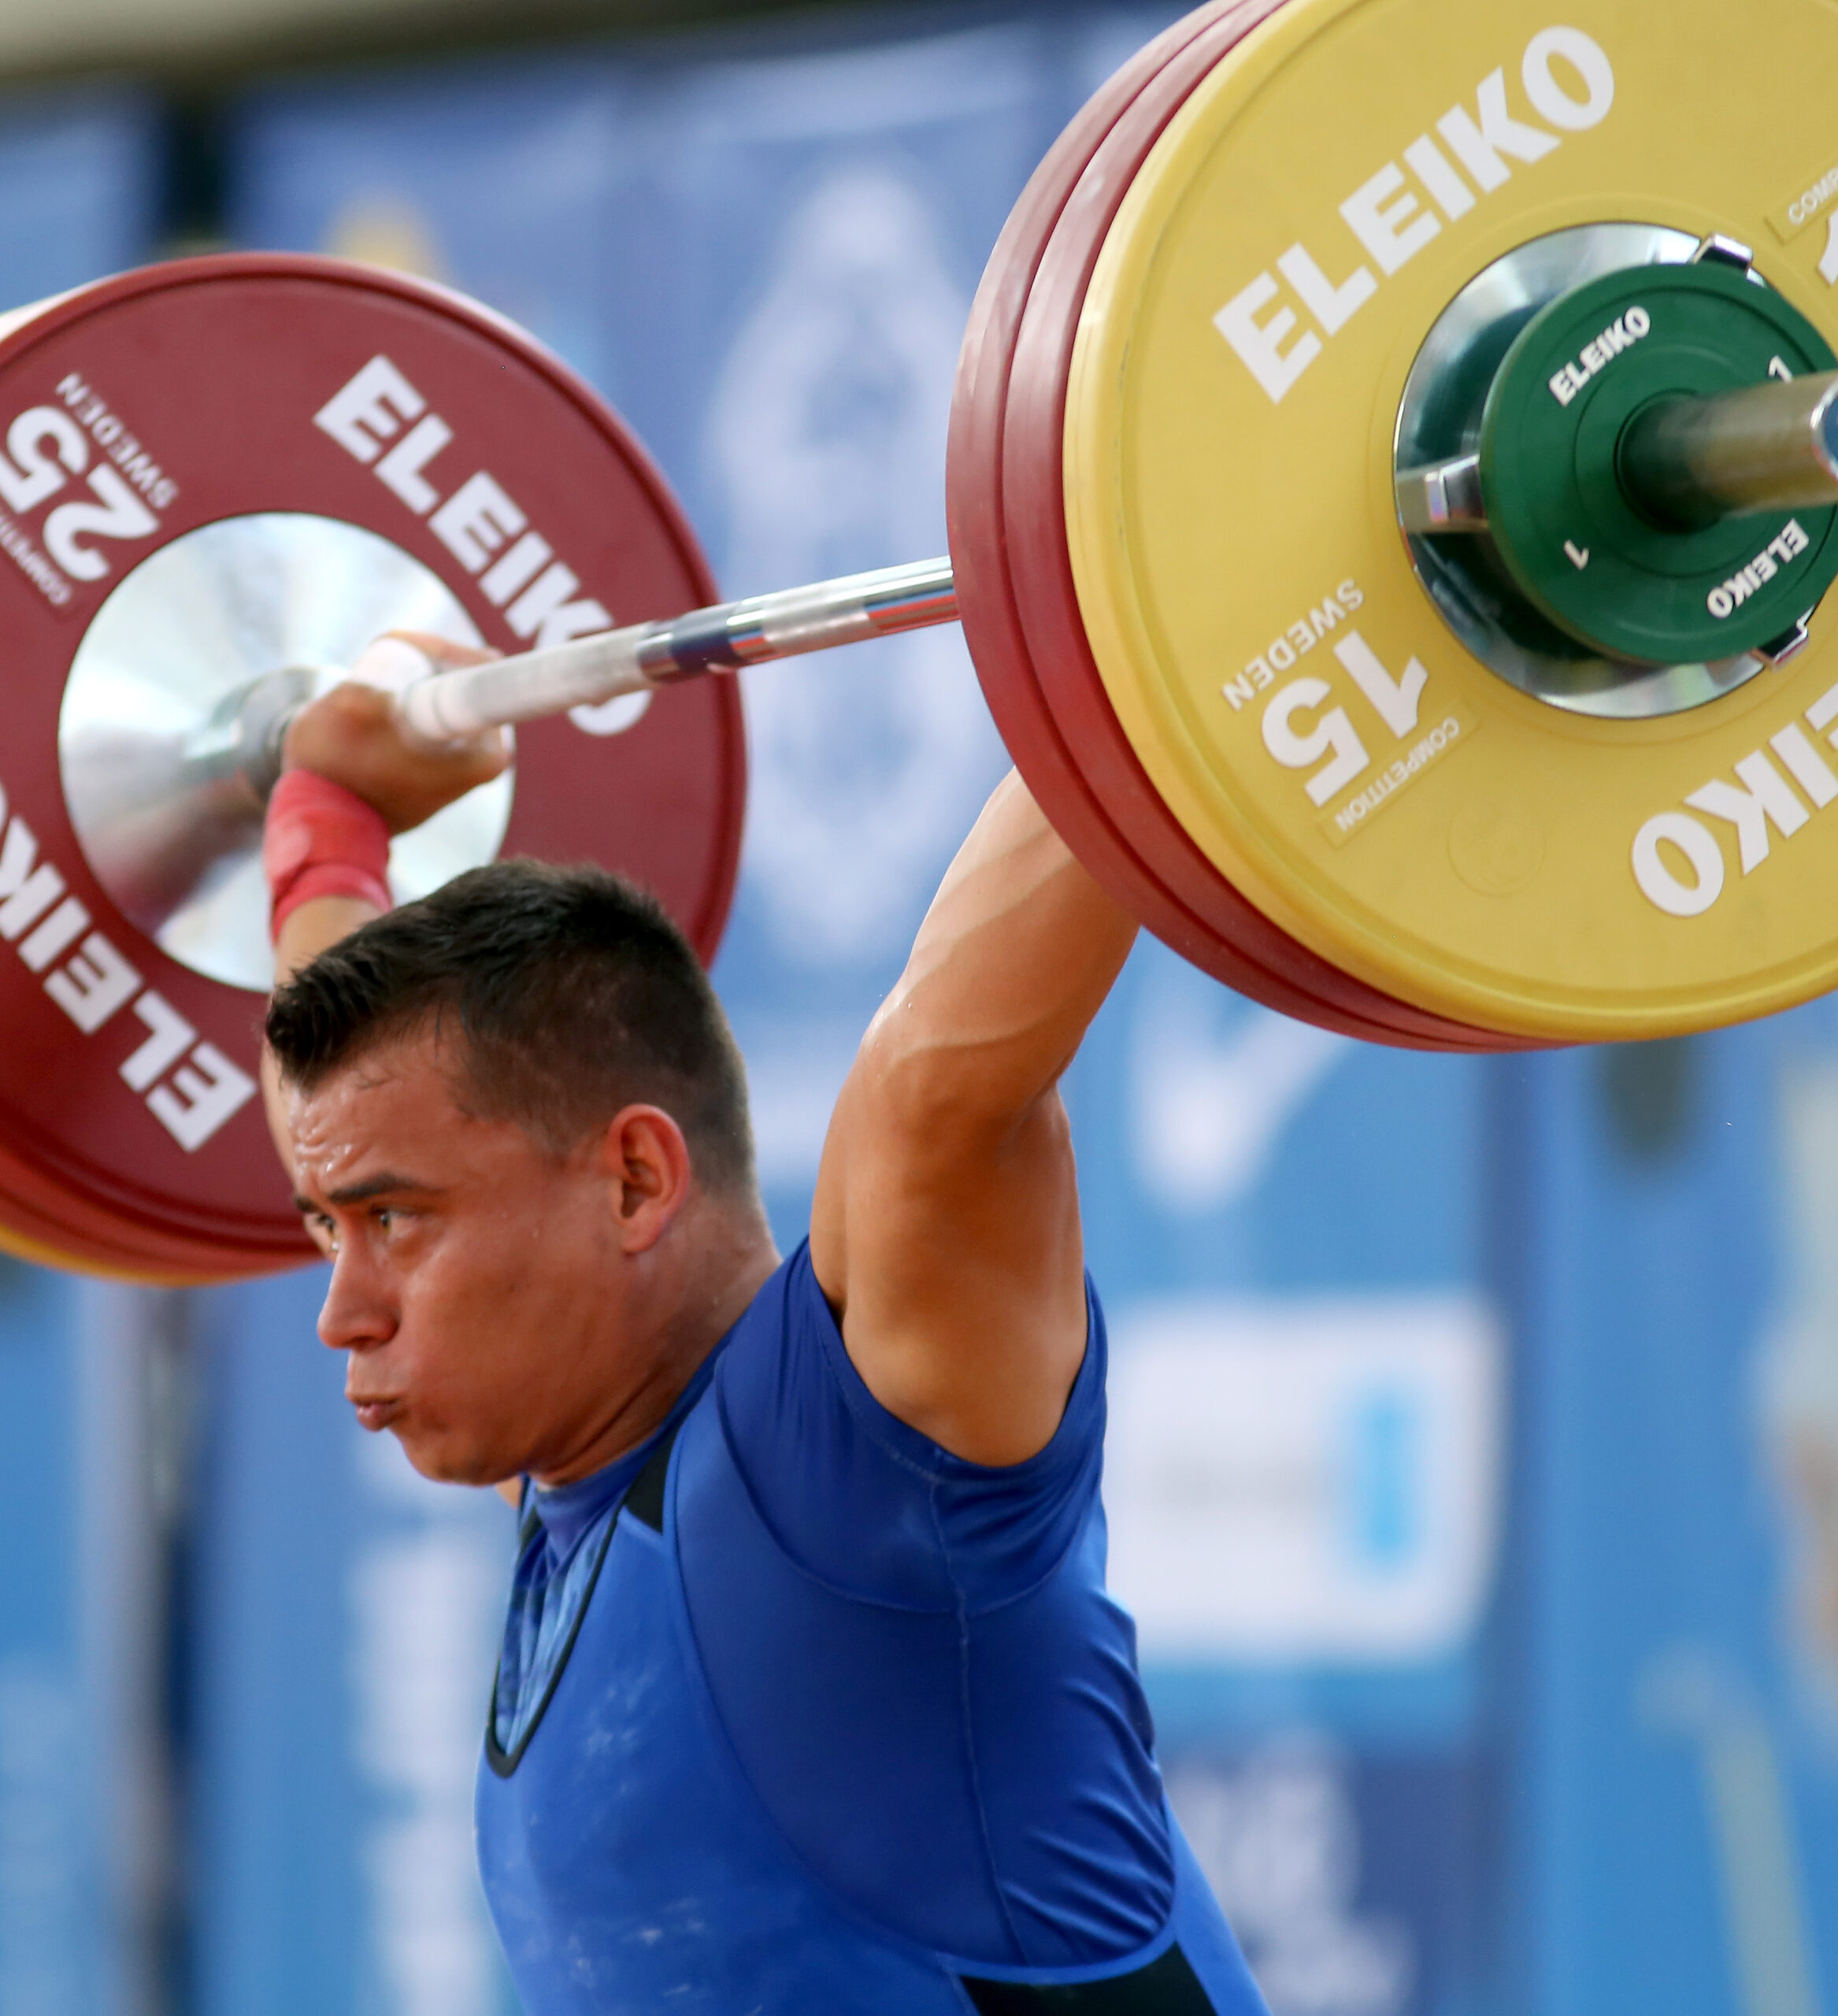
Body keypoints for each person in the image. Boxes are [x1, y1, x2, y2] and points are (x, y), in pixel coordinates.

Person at [261, 637, 1268, 2016]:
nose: (340, 1311)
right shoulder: (582, 1480)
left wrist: (1178, 608)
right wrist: (325, 815)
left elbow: (937, 1091)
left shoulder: (845, 1484)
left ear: (632, 1180)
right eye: (328, 1228)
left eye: (394, 1225)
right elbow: (343, 1111)